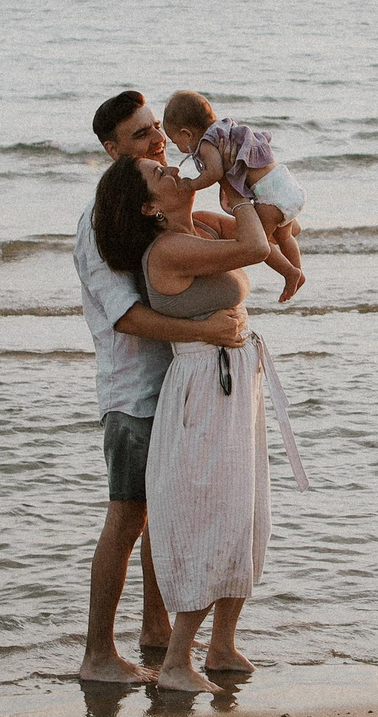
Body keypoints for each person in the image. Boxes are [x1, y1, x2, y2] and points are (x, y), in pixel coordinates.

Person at [91, 150, 286, 694]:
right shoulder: (169, 249)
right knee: (212, 513)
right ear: (151, 207)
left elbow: (269, 229)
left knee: (246, 510)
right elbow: (251, 247)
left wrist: (249, 169)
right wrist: (234, 184)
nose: (171, 169)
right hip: (204, 385)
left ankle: (221, 645)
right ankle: (178, 662)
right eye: (160, 175)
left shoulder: (197, 226)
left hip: (234, 377)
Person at [72, 91, 249, 684]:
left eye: (155, 130)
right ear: (111, 148)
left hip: (177, 383)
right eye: (140, 135)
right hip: (134, 392)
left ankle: (155, 634)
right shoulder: (104, 219)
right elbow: (125, 316)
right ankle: (98, 653)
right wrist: (200, 330)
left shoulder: (150, 202)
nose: (155, 142)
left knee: (168, 514)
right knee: (127, 517)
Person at [161, 89, 307, 302]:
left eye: (176, 141)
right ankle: (298, 271)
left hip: (269, 196)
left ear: (187, 134)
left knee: (260, 243)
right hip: (284, 183)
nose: (179, 147)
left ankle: (290, 272)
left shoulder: (207, 143)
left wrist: (192, 184)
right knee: (285, 237)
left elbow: (215, 172)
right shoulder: (227, 127)